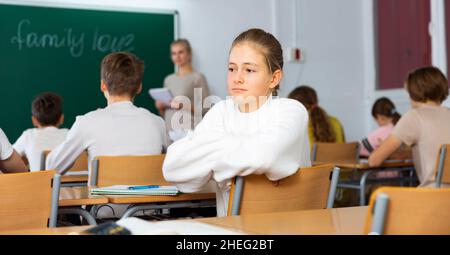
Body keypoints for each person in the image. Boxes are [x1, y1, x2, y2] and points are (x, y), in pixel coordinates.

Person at [163, 28, 311, 217]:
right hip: (231, 235)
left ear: (274, 78)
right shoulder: (220, 111)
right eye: (232, 68)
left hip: (290, 229)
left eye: (249, 70)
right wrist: (240, 164)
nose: (237, 78)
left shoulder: (292, 111)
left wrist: (214, 167)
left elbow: (265, 155)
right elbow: (173, 168)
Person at [47, 52, 169, 181]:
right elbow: (173, 161)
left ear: (103, 85)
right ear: (139, 87)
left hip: (103, 201)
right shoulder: (158, 123)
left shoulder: (87, 122)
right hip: (149, 200)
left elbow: (52, 167)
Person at [369, 66, 450, 187]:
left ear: (415, 92)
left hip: (433, 197)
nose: (408, 97)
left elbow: (374, 161)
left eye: (409, 92)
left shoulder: (414, 116)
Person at [155, 39, 210, 136]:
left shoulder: (197, 78)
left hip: (188, 130)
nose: (177, 56)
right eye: (174, 53)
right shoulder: (168, 79)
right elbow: (166, 113)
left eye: (181, 52)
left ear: (189, 54)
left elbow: (205, 110)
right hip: (169, 130)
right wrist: (160, 107)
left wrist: (183, 105)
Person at [13, 92, 68, 171]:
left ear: (34, 120)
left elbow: (7, 158)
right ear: (62, 118)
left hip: (40, 182)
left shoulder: (29, 135)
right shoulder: (70, 134)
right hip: (76, 183)